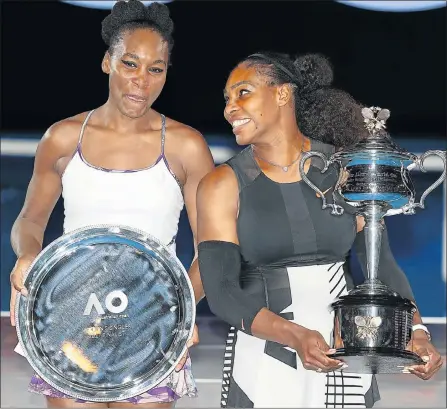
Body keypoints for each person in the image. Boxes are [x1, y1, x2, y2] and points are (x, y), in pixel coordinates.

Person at [196, 52, 443, 408]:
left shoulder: (345, 169)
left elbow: (382, 266)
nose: (230, 108)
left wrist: (416, 332)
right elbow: (221, 290)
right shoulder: (222, 184)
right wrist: (293, 335)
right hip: (263, 358)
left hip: (348, 352)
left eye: (243, 92)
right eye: (227, 99)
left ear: (282, 94)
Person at [9, 0, 215, 407]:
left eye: (156, 69)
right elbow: (29, 221)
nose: (142, 80)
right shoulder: (63, 138)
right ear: (108, 62)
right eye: (130, 64)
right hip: (71, 314)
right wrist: (27, 255)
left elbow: (213, 244)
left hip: (151, 320)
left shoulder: (186, 146)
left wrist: (181, 307)